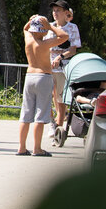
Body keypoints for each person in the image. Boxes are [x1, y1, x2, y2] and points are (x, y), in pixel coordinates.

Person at [17, 15, 68, 157]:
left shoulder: (28, 40)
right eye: (44, 30)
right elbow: (64, 36)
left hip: (29, 77)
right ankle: (37, 148)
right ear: (42, 31)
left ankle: (21, 148)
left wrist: (31, 20)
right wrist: (50, 26)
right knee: (40, 114)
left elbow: (25, 29)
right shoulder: (44, 43)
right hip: (43, 77)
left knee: (25, 114)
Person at [46, 0, 81, 143]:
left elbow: (73, 49)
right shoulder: (49, 26)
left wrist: (60, 57)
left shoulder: (72, 28)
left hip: (63, 66)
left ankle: (59, 128)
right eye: (54, 10)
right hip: (48, 65)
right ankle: (51, 122)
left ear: (66, 13)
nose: (55, 13)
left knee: (60, 98)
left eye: (58, 10)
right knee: (47, 96)